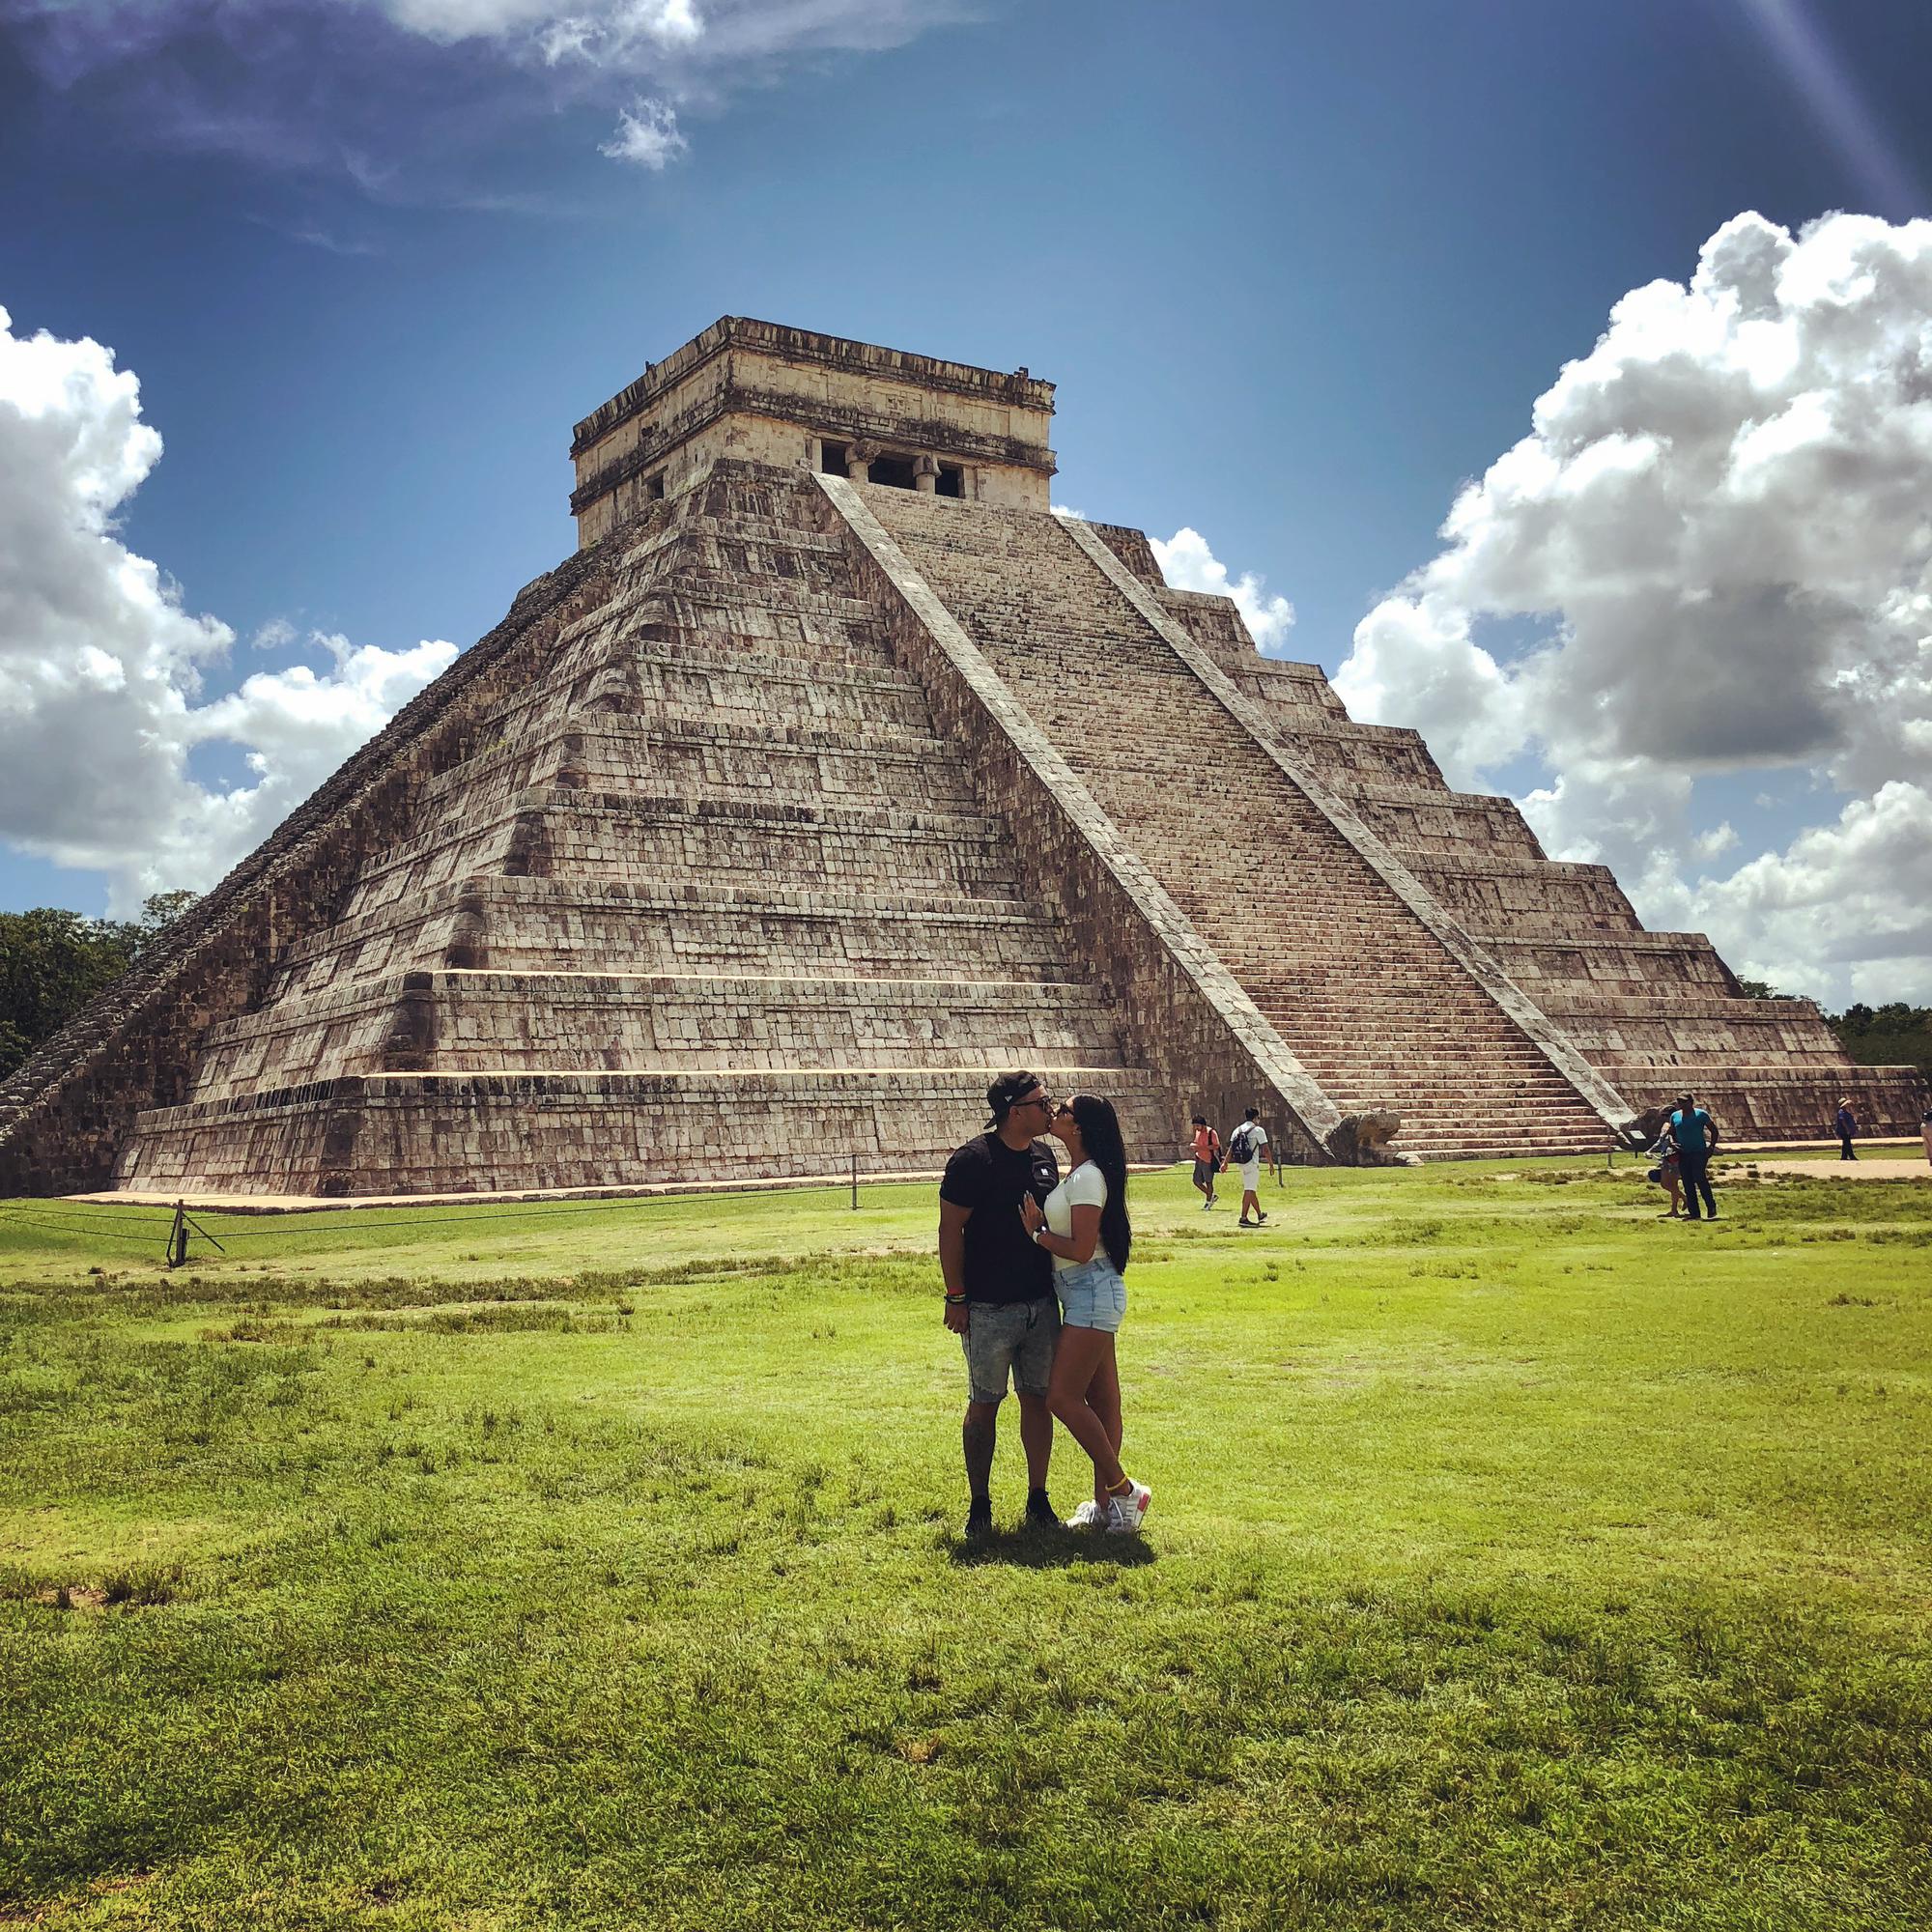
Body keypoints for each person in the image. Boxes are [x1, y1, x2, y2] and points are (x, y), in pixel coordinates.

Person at [1019, 1094, 1152, 1535]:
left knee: (1061, 1398)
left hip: (1090, 1289)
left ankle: (1123, 1490)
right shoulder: (1079, 1173)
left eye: (1063, 1111)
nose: (1054, 1114)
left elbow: (1078, 1249)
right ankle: (1107, 1505)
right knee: (1104, 1401)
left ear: (1079, 1127)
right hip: (1083, 1291)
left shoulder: (1089, 1177)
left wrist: (1037, 1233)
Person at [939, 1071, 1063, 1538]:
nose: (1048, 1109)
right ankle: (980, 1505)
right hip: (989, 1307)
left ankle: (1038, 1498)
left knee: (1038, 1400)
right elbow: (950, 1231)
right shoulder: (973, 1160)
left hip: (1039, 1302)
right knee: (984, 1404)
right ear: (1015, 1111)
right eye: (1040, 1102)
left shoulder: (1044, 1157)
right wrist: (957, 1296)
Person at [1667, 1092, 1719, 1222]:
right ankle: (1694, 1213)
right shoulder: (1675, 1116)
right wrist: (1673, 1143)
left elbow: (1714, 1130)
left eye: (1684, 1102)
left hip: (1699, 1152)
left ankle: (1711, 1206)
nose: (1681, 1104)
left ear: (1691, 1102)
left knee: (1700, 1178)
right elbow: (1671, 1133)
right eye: (1679, 1102)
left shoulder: (1701, 1114)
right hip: (1683, 1153)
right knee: (1687, 1182)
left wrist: (1711, 1147)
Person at [1225, 1107, 1274, 1228]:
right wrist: (1271, 1164)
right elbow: (1266, 1149)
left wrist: (1225, 1163)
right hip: (1251, 1163)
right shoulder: (1258, 1130)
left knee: (1250, 1188)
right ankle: (1243, 1217)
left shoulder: (1237, 1130)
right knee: (1249, 1190)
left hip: (1241, 1163)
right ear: (1255, 1118)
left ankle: (1259, 1214)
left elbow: (1231, 1149)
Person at [1647, 1117, 1684, 1217]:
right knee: (1673, 1185)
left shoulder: (1667, 1126)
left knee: (1666, 1184)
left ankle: (1684, 1199)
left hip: (1669, 1159)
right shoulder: (1679, 1126)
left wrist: (1649, 1150)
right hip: (1676, 1158)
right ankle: (1674, 1209)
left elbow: (1660, 1141)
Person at [1186, 1115, 1222, 1209]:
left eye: (1197, 1126)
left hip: (1208, 1160)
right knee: (1196, 1181)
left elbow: (1216, 1146)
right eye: (1194, 1126)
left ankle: (1208, 1201)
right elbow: (1197, 1142)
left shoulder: (1211, 1132)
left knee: (1208, 1181)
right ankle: (1211, 1195)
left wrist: (1200, 1148)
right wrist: (1194, 1146)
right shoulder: (1197, 1132)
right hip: (1199, 1159)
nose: (1196, 1128)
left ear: (1203, 1125)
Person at [1835, 1097, 1859, 1161]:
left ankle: (1844, 1156)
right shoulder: (1841, 1112)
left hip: (1845, 1130)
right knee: (1847, 1143)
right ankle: (1851, 1156)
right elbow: (1842, 1121)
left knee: (1846, 1143)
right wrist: (1847, 1129)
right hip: (1843, 1130)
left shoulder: (1845, 1111)